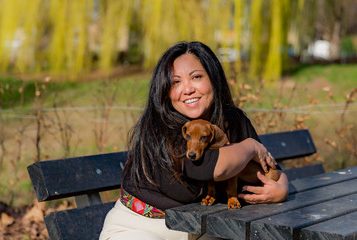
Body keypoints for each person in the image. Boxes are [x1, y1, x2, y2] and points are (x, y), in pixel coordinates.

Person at [99, 41, 289, 240]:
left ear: (213, 79)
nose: (187, 89)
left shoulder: (233, 120)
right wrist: (249, 146)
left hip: (202, 229)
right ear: (165, 90)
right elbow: (210, 167)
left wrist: (281, 188)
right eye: (175, 82)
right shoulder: (163, 128)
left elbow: (269, 166)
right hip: (140, 228)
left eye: (196, 77)